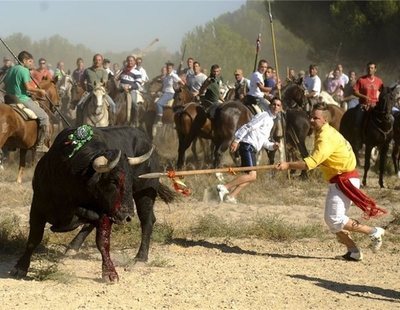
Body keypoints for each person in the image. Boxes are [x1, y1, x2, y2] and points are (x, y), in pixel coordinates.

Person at [276, 102, 386, 261]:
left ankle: (374, 231)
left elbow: (310, 164)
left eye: (316, 118)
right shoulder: (323, 132)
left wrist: (287, 165)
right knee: (332, 221)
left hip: (345, 179)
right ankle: (353, 251)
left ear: (325, 120)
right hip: (340, 179)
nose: (312, 120)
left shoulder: (325, 138)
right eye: (311, 117)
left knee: (334, 219)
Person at [216, 97, 282, 204]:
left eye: (278, 105)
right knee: (251, 175)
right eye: (274, 104)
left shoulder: (270, 121)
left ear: (280, 108)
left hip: (252, 148)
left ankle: (231, 196)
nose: (275, 107)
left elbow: (264, 140)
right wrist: (236, 140)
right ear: (270, 105)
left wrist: (272, 146)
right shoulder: (264, 116)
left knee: (251, 177)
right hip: (247, 146)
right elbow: (248, 126)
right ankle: (224, 187)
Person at [3, 51, 50, 152]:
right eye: (30, 61)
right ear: (24, 60)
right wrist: (40, 91)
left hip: (8, 99)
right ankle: (40, 145)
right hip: (21, 99)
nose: (31, 64)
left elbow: (5, 85)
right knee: (44, 117)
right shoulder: (24, 70)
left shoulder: (10, 69)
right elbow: (28, 87)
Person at [76, 53, 116, 125]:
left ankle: (112, 124)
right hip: (90, 92)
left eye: (99, 60)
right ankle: (78, 124)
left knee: (113, 105)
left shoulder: (104, 71)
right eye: (96, 60)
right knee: (79, 105)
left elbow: (105, 81)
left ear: (102, 61)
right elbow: (82, 81)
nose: (97, 61)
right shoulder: (87, 70)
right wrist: (85, 89)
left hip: (101, 92)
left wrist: (102, 83)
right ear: (93, 60)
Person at [118, 55, 143, 126]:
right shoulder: (123, 71)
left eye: (131, 61)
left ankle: (134, 121)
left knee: (134, 103)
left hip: (131, 90)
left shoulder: (137, 72)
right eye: (128, 60)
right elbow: (118, 80)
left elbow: (138, 84)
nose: (130, 62)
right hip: (121, 89)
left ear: (134, 62)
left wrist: (129, 86)